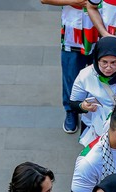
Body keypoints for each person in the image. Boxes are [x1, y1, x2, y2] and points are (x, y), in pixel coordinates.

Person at [39, 0, 94, 135]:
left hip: (101, 26)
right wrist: (75, 1)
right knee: (71, 73)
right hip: (73, 30)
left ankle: (98, 110)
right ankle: (71, 110)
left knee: (103, 71)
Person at [70, 37, 116, 146]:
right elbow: (73, 103)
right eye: (104, 62)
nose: (108, 68)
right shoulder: (85, 75)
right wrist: (83, 106)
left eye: (114, 62)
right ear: (97, 59)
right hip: (95, 128)